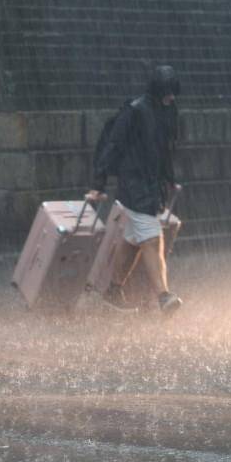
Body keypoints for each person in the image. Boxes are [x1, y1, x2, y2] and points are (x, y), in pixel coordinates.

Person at [86, 65, 183, 315]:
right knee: (152, 238)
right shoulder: (135, 110)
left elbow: (165, 149)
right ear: (158, 90)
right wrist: (98, 183)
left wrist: (169, 180)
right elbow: (113, 146)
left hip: (150, 185)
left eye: (174, 92)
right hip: (134, 184)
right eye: (168, 92)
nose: (172, 97)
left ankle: (113, 290)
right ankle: (164, 296)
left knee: (132, 240)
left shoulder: (167, 110)